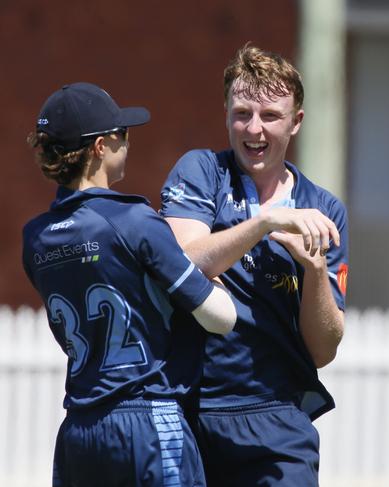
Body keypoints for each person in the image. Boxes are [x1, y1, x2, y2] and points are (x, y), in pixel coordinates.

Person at [22, 82, 237, 487]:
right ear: (100, 147)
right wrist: (220, 275)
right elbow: (221, 319)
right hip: (147, 418)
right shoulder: (134, 220)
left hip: (79, 430)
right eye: (123, 134)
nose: (128, 142)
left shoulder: (35, 238)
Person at [159, 44, 349, 486]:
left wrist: (316, 272)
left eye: (270, 116)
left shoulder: (323, 210)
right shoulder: (201, 172)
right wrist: (263, 222)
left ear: (296, 122)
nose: (254, 129)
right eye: (241, 113)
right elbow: (183, 262)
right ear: (225, 113)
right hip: (191, 408)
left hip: (277, 418)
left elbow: (323, 350)